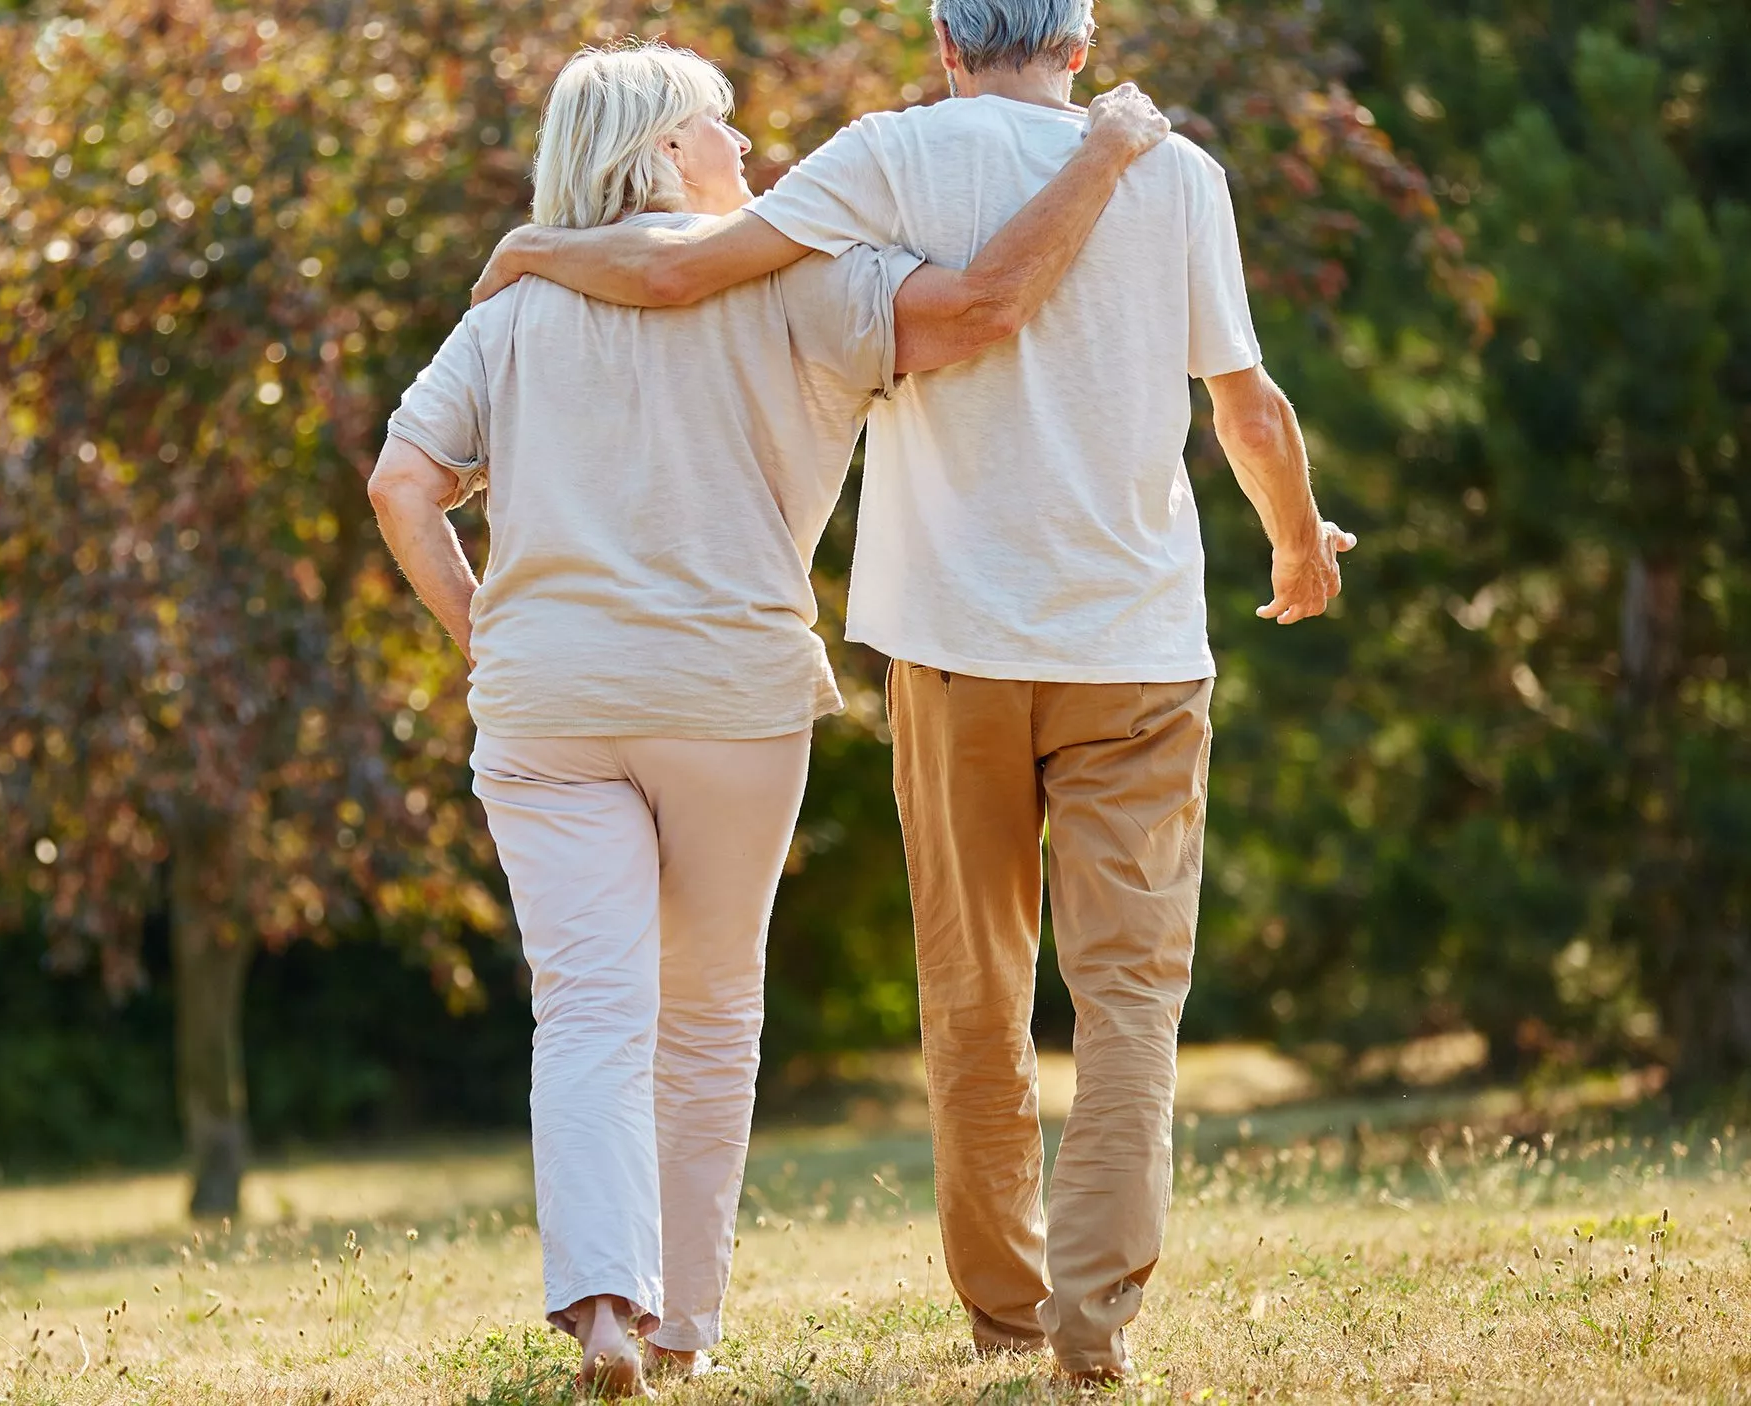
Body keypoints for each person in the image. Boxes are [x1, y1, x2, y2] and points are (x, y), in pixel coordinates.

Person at [471, 0, 1355, 1385]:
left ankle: (1007, 1311)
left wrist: (534, 245)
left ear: (947, 43)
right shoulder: (1178, 170)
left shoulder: (884, 155)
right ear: (1082, 36)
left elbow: (678, 272)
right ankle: (1095, 1317)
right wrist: (1299, 539)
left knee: (974, 991)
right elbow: (1248, 404)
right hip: (1137, 652)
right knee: (1130, 998)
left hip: (953, 647)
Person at [368, 38, 1168, 1397]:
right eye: (725, 128)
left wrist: (484, 630)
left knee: (588, 1009)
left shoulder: (514, 301)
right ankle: (684, 1328)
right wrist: (1104, 159)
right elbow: (976, 314)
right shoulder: (807, 282)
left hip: (547, 698)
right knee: (709, 1010)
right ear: (669, 149)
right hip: (727, 694)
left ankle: (607, 1307)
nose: (753, 153)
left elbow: (403, 484)